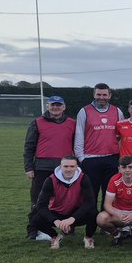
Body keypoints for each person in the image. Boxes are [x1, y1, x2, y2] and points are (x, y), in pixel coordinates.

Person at [23, 95, 75, 239]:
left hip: (65, 169)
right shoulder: (37, 122)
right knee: (38, 200)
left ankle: (67, 227)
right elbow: (29, 146)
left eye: (58, 105)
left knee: (67, 199)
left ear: (64, 107)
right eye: (53, 105)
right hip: (42, 167)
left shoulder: (72, 123)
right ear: (48, 106)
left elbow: (76, 145)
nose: (55, 107)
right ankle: (33, 230)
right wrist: (29, 167)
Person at [29, 154, 97, 249]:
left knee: (94, 213)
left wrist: (72, 218)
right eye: (65, 166)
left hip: (76, 213)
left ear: (77, 167)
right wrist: (55, 221)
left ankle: (88, 237)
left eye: (72, 166)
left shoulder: (83, 178)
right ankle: (54, 236)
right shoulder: (50, 180)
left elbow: (90, 202)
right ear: (60, 167)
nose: (69, 169)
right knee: (35, 219)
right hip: (57, 212)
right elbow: (41, 205)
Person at [74, 82, 123, 209]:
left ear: (109, 96)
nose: (101, 97)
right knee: (91, 194)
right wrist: (81, 158)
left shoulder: (117, 111)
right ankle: (91, 221)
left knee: (109, 194)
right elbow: (79, 135)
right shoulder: (84, 111)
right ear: (94, 94)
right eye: (98, 94)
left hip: (112, 158)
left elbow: (121, 134)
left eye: (104, 95)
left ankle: (105, 220)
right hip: (91, 158)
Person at [96, 155, 132, 245]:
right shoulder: (114, 180)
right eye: (124, 167)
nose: (127, 170)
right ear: (119, 169)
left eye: (130, 167)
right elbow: (107, 204)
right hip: (119, 214)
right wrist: (118, 214)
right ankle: (117, 235)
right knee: (101, 218)